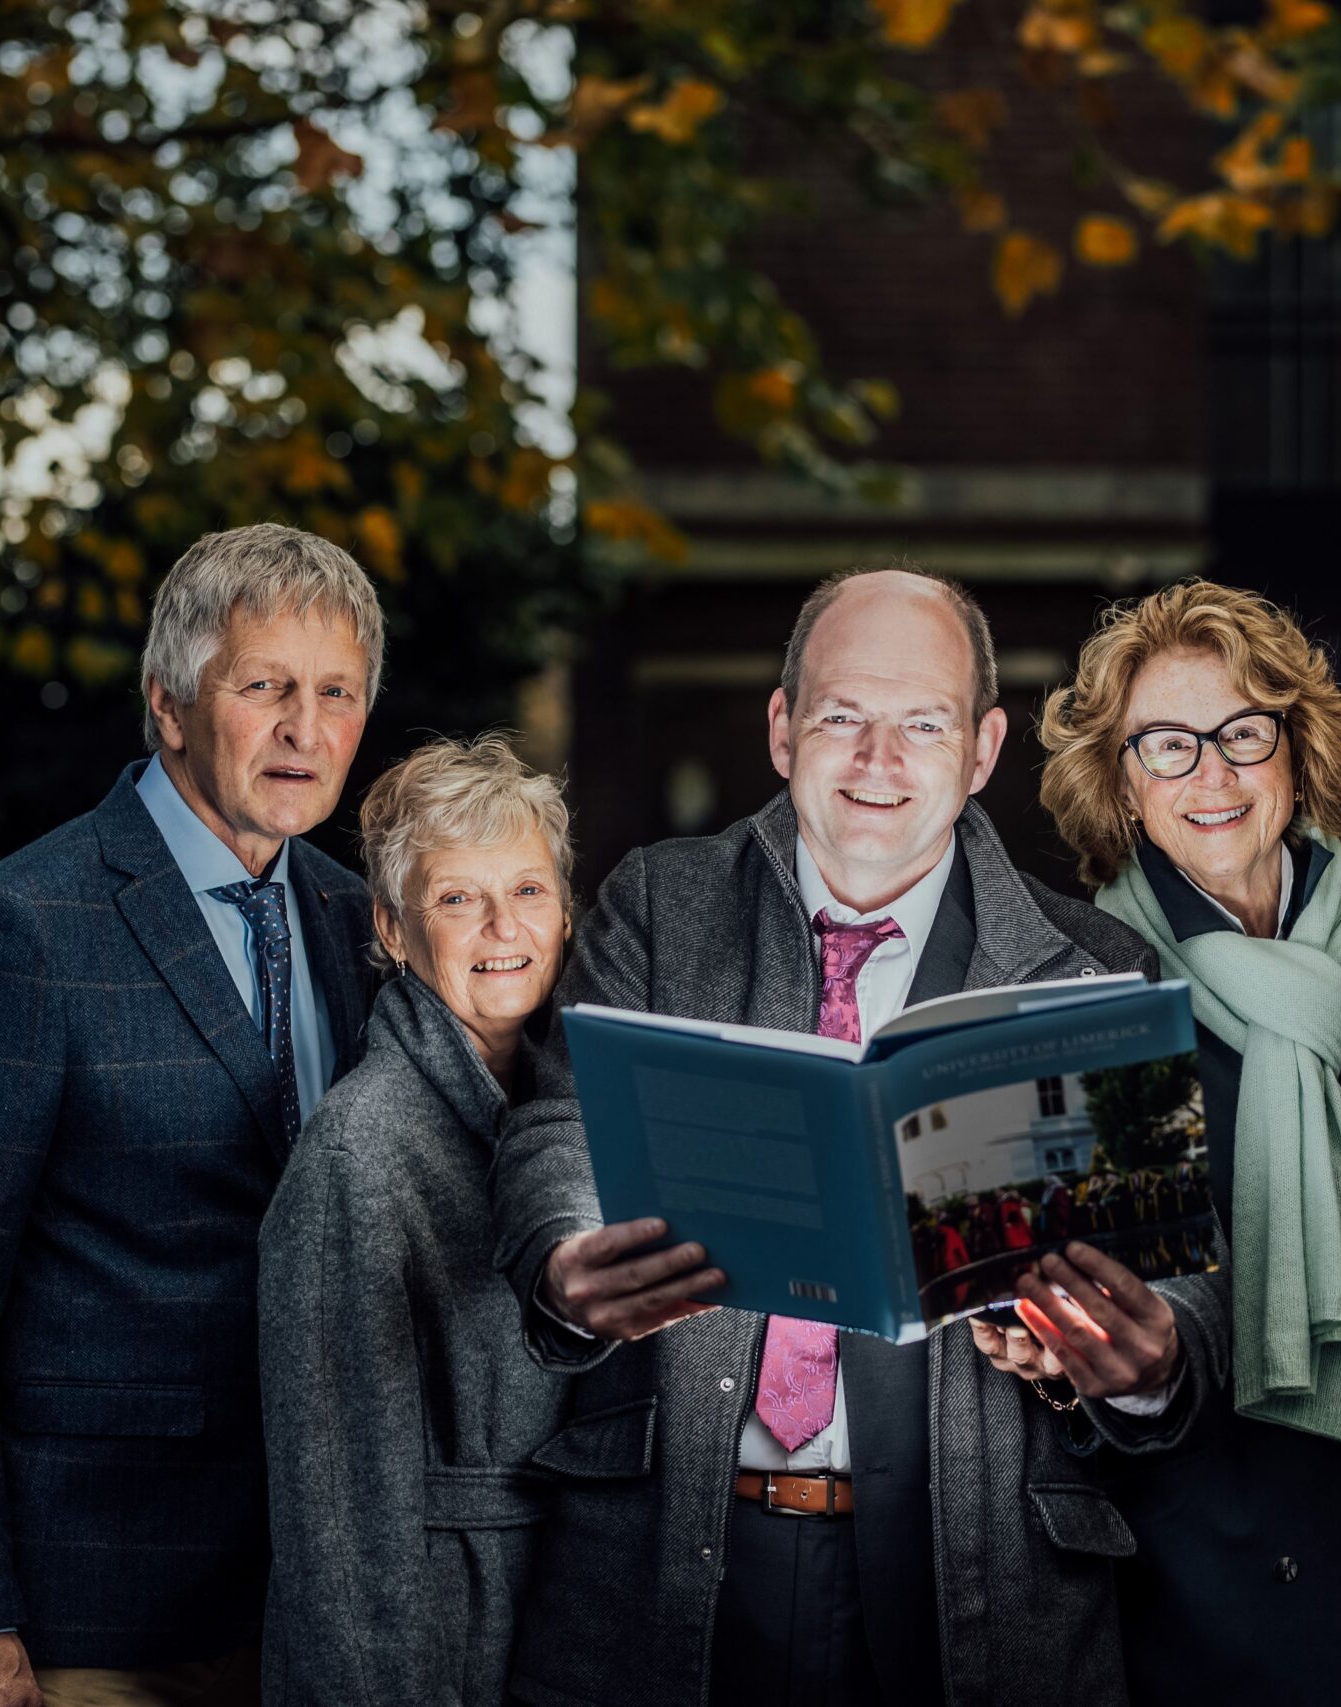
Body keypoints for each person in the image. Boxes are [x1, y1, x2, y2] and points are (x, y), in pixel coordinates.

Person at [487, 563, 1157, 1707]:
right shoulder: (657, 902)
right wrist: (566, 1260)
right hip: (663, 1565)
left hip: (980, 1586)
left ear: (984, 749)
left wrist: (1134, 1361)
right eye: (843, 717)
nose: (878, 763)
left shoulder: (1089, 968)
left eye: (921, 725)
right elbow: (558, 1125)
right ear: (784, 730)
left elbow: (1165, 1276)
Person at [0, 524, 384, 1707]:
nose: (306, 728)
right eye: (265, 687)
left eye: (336, 691)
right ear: (169, 703)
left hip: (309, 1598)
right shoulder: (18, 932)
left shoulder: (365, 927)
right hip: (78, 1606)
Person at [988, 578, 1341, 1704]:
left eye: (1241, 733)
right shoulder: (1081, 981)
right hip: (1203, 1564)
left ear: (1297, 749)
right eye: (1167, 746)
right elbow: (1068, 1294)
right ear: (1121, 784)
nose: (1213, 776)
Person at [258, 734, 577, 1706]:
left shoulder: (597, 1109)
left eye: (526, 890)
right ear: (393, 931)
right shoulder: (359, 1150)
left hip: (583, 1612)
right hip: (443, 1636)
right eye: (455, 899)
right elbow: (339, 1531)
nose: (500, 928)